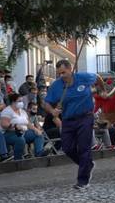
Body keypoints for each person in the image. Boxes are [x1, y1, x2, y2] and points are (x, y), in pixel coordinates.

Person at [44, 59, 106, 189]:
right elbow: (47, 103)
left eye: (64, 72)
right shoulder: (56, 86)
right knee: (67, 148)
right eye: (59, 73)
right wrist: (52, 111)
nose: (61, 76)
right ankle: (88, 165)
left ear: (70, 69)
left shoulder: (83, 77)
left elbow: (98, 78)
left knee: (84, 148)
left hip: (85, 117)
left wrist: (102, 90)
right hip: (67, 120)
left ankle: (83, 180)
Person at [0, 93, 48, 160]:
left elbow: (28, 123)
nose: (22, 103)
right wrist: (15, 127)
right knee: (20, 139)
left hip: (23, 132)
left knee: (38, 134)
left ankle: (39, 153)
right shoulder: (7, 111)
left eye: (22, 101)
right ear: (13, 102)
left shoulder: (22, 111)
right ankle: (18, 159)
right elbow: (4, 125)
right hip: (9, 134)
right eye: (19, 101)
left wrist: (36, 129)